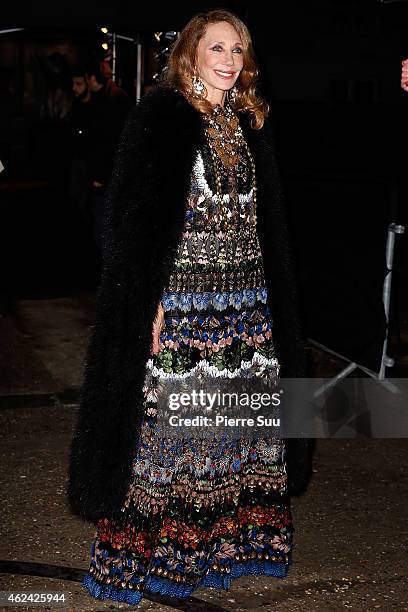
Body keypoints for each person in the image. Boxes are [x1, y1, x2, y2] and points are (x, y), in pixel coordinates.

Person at [67, 9, 312, 606]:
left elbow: (267, 224)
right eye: (217, 49)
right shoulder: (162, 116)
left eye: (238, 51)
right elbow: (129, 220)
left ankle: (225, 549)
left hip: (246, 304)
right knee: (173, 436)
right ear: (191, 55)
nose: (229, 61)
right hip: (184, 304)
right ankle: (156, 558)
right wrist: (144, 303)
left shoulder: (249, 121)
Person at [85, 61, 132, 251]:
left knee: (104, 218)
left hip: (109, 172)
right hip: (112, 170)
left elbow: (108, 141)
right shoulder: (112, 96)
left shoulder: (112, 99)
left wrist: (101, 175)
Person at [69, 67, 93, 224]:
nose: (74, 88)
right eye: (73, 84)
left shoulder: (98, 107)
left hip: (91, 162)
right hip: (77, 160)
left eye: (78, 84)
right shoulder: (76, 106)